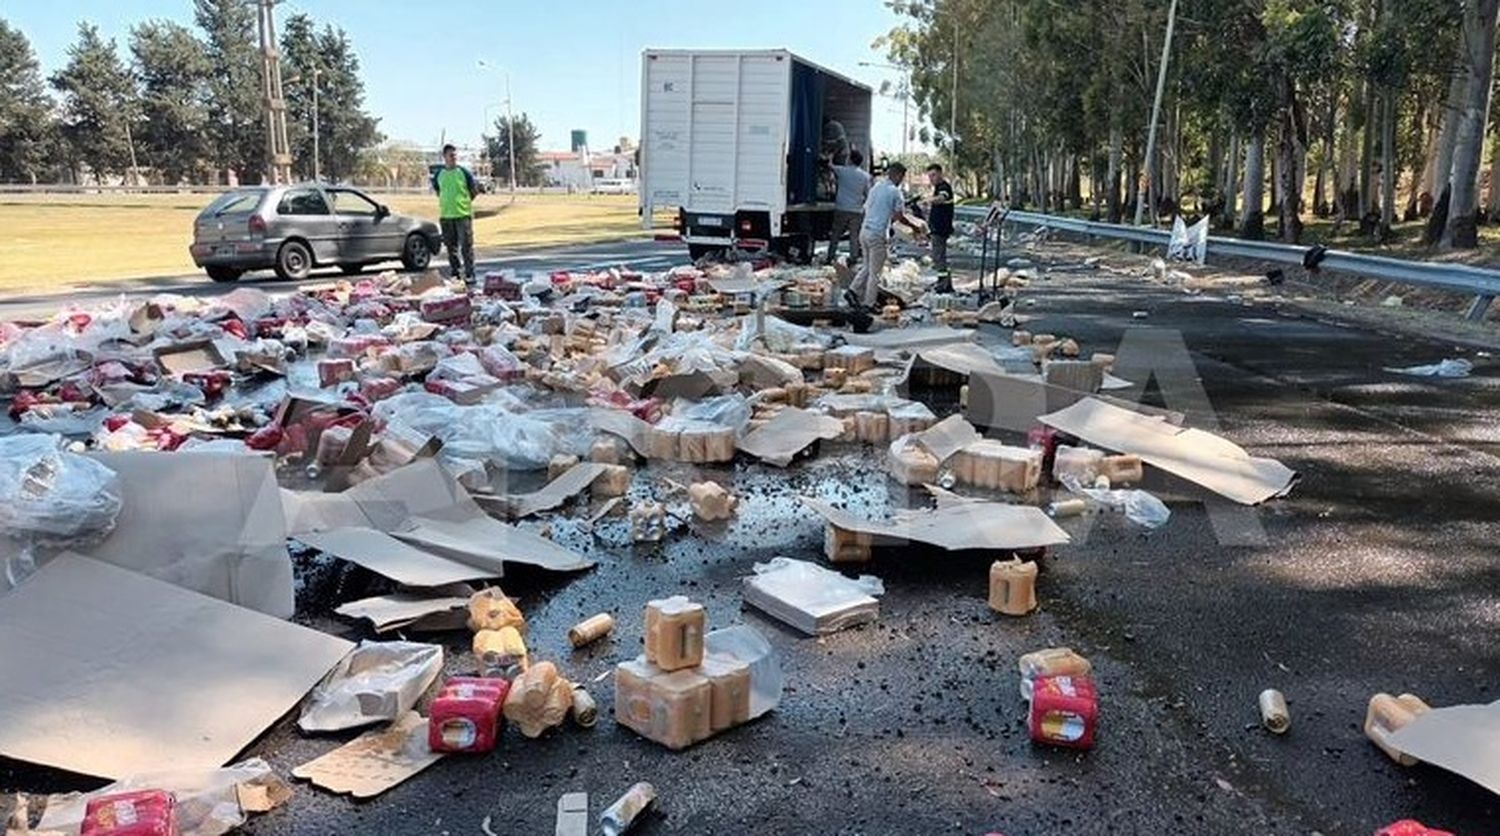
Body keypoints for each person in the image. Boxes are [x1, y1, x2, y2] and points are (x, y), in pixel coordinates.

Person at [846, 162, 921, 310]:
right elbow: (899, 216)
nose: (902, 181)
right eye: (902, 177)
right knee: (876, 273)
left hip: (865, 231)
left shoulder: (876, 187)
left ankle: (852, 291)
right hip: (878, 234)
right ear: (899, 175)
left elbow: (867, 208)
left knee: (867, 266)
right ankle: (869, 304)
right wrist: (914, 227)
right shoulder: (895, 192)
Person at [431, 144, 479, 282]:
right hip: (446, 216)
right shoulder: (439, 174)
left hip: (463, 215)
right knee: (451, 248)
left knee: (466, 247)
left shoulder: (464, 172)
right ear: (444, 157)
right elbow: (438, 190)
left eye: (455, 155)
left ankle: (470, 273)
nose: (454, 158)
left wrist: (465, 202)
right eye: (451, 155)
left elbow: (473, 190)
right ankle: (456, 274)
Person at [826, 149, 871, 266]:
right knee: (854, 236)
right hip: (857, 210)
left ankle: (830, 257)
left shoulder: (842, 171)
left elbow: (830, 166)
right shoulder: (865, 176)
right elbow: (868, 195)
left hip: (841, 209)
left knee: (835, 234)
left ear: (850, 160)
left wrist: (831, 156)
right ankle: (853, 258)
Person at [924, 163, 955, 275]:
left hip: (941, 229)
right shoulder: (938, 187)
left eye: (934, 175)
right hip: (936, 228)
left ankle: (943, 283)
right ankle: (941, 281)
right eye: (930, 176)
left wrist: (928, 200)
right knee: (937, 257)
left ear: (941, 174)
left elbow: (942, 197)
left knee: (939, 257)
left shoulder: (943, 187)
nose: (931, 179)